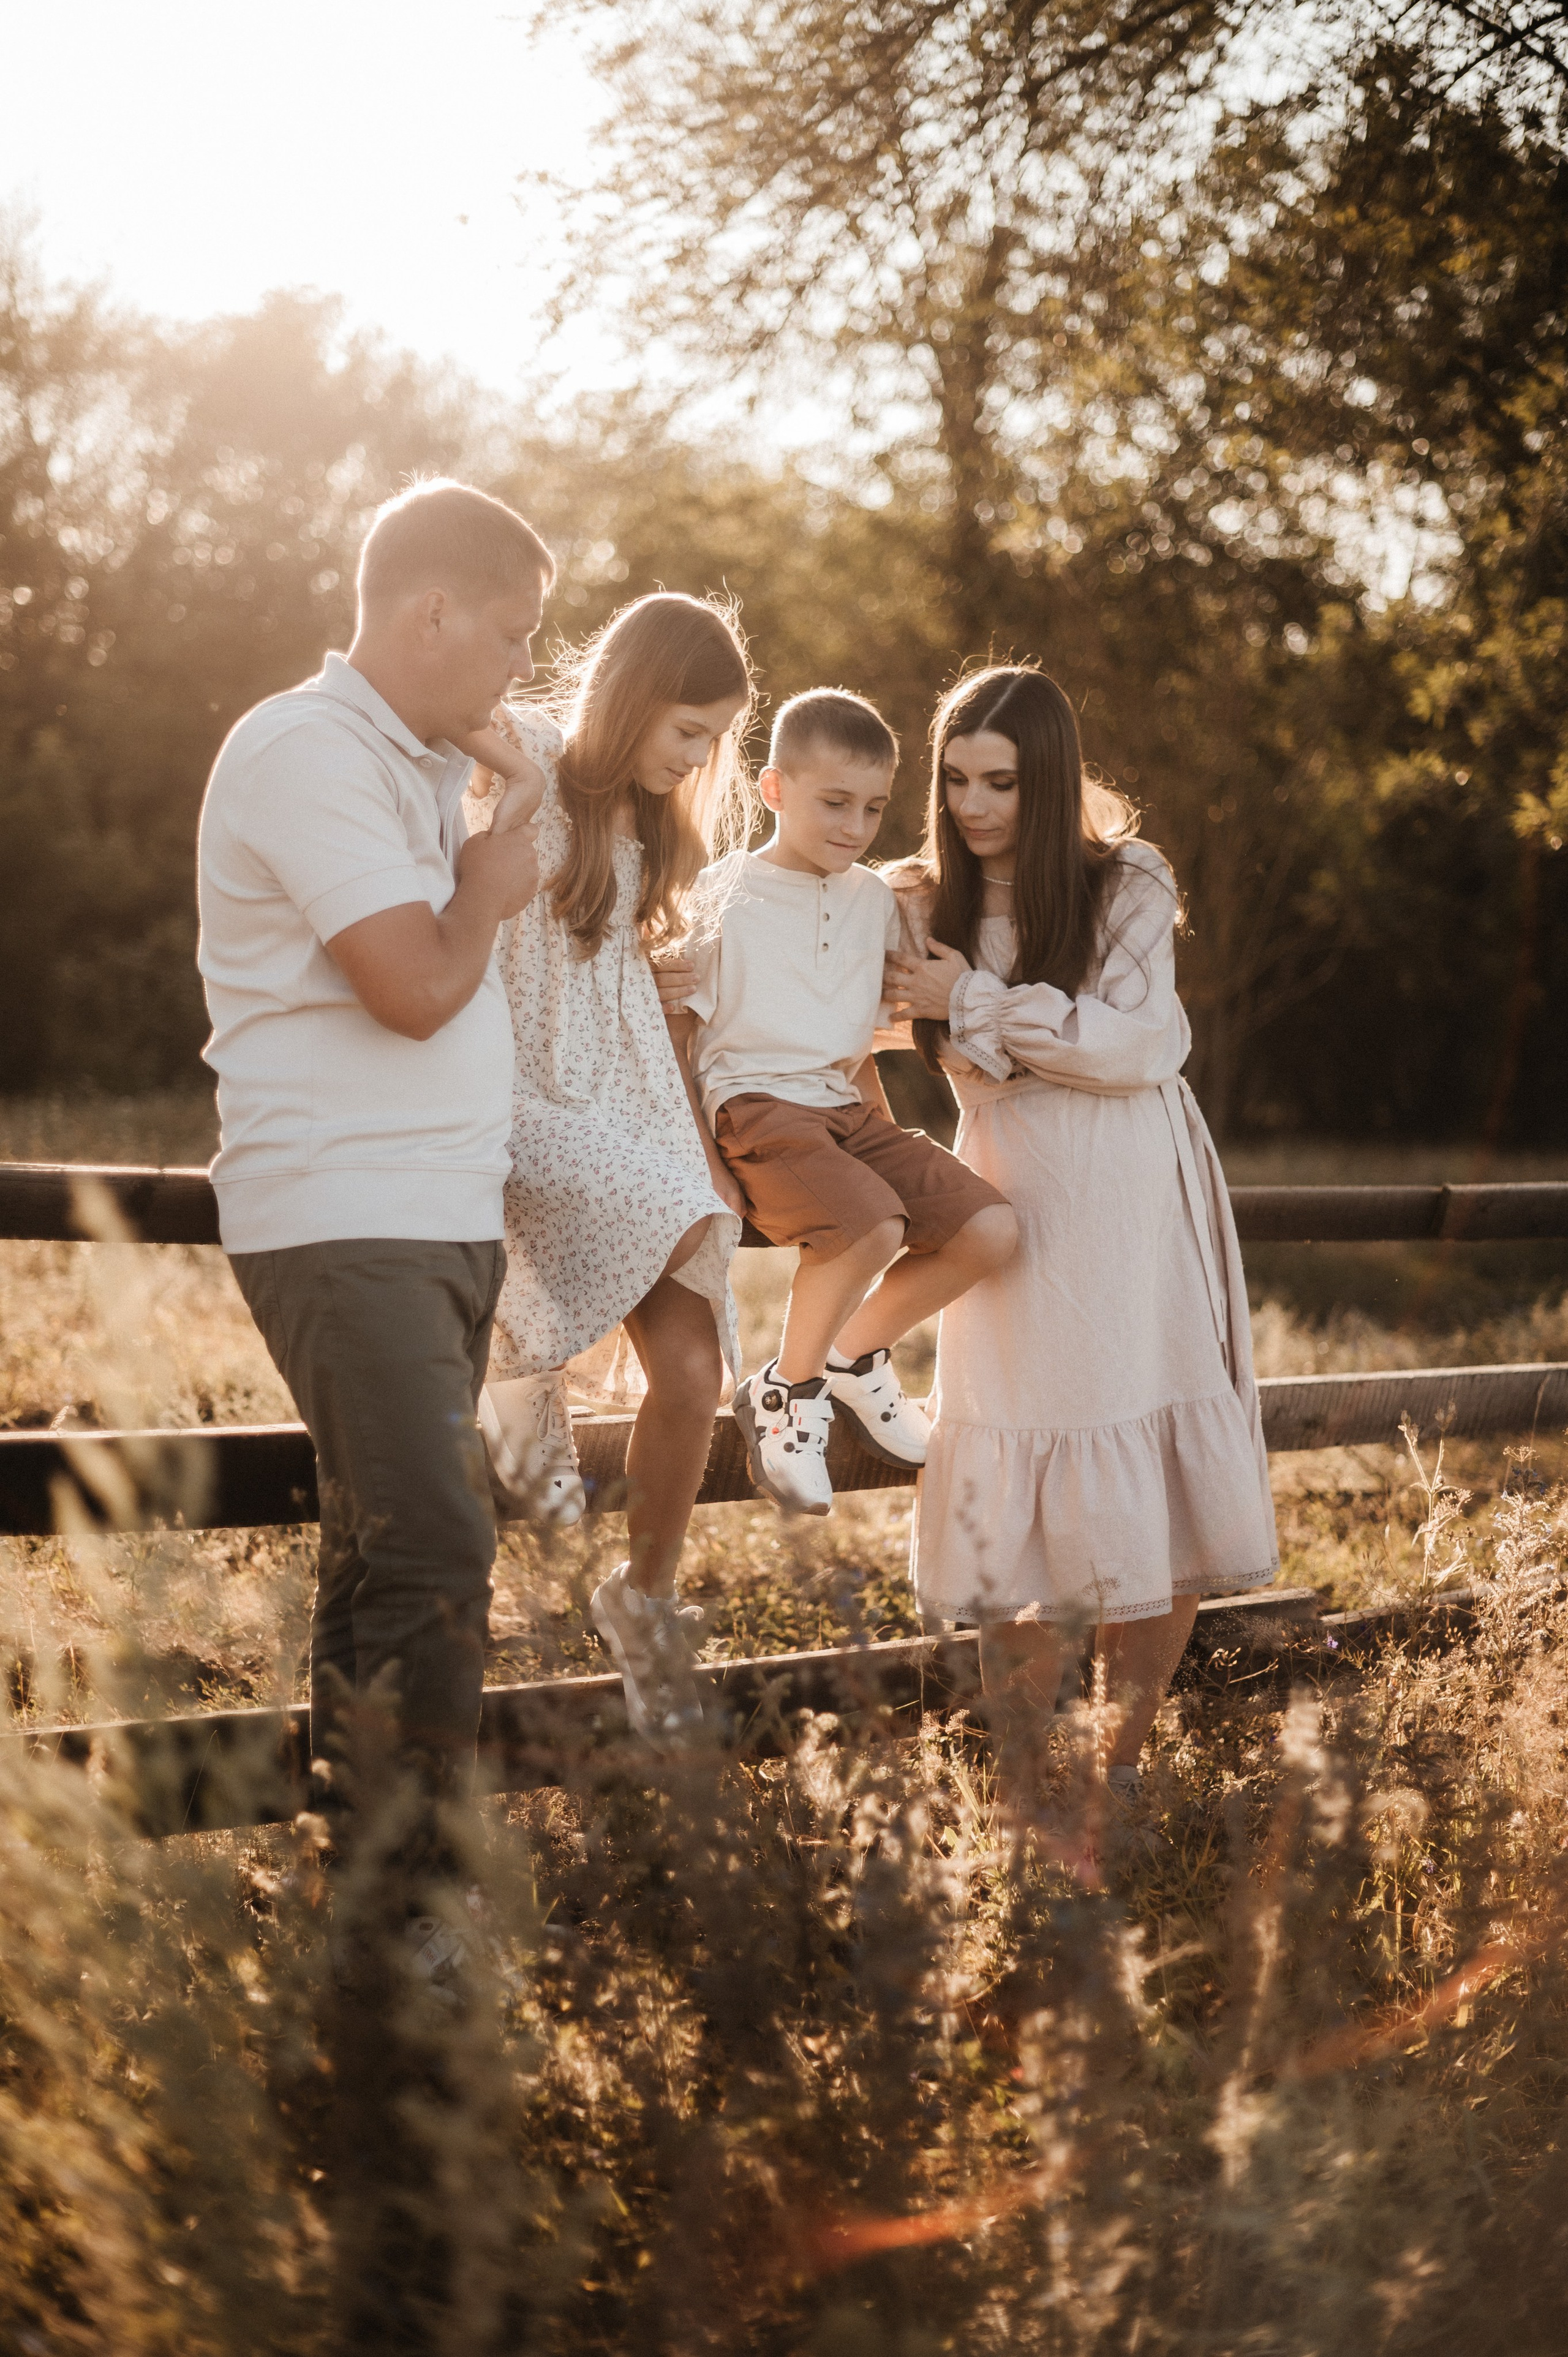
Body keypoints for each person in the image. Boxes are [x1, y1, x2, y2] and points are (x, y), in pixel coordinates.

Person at [196, 476, 552, 1856]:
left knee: (374, 1560)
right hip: (347, 1213)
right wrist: (484, 879)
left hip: (434, 1217)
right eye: (516, 634)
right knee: (434, 1551)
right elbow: (412, 985)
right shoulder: (304, 749)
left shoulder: (410, 765)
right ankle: (413, 1916)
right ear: (433, 610)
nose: (524, 668)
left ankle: (359, 1896)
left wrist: (505, 799)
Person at [883, 665, 1279, 1825]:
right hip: (1009, 1202)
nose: (972, 804)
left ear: (1050, 778)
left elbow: (1141, 1043)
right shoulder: (915, 901)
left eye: (1000, 781)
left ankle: (1119, 1762)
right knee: (1021, 1475)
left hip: (1134, 1199)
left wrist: (980, 1008)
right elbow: (820, 996)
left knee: (1153, 1468)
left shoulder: (1128, 881)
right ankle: (1021, 1785)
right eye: (954, 779)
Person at [466, 592, 751, 1749]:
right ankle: (521, 1371)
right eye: (688, 729)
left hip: (632, 1094)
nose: (696, 759)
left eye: (711, 742)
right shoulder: (523, 752)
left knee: (698, 1372)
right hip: (525, 1089)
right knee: (679, 1221)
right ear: (631, 693)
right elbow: (422, 703)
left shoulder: (652, 822)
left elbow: (636, 978)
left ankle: (646, 1599)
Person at [660, 688, 1018, 1516]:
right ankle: (787, 1395)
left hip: (844, 1113)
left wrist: (883, 1145)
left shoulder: (875, 902)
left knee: (992, 1229)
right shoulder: (723, 893)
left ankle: (852, 1359)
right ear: (774, 789)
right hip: (755, 1107)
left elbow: (857, 1043)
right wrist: (704, 1159)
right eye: (833, 803)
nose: (855, 826)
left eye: (872, 807)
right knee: (871, 1225)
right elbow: (680, 1032)